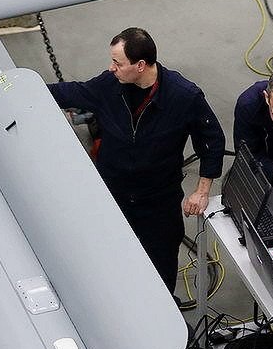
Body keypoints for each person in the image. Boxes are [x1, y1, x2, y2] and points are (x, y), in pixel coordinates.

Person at [47, 27, 226, 292]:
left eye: (118, 63)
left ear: (140, 65)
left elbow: (212, 140)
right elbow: (71, 92)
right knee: (110, 259)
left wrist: (201, 192)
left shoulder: (183, 96)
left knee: (160, 265)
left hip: (158, 203)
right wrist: (18, 85)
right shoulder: (110, 85)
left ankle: (164, 310)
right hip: (113, 194)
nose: (112, 68)